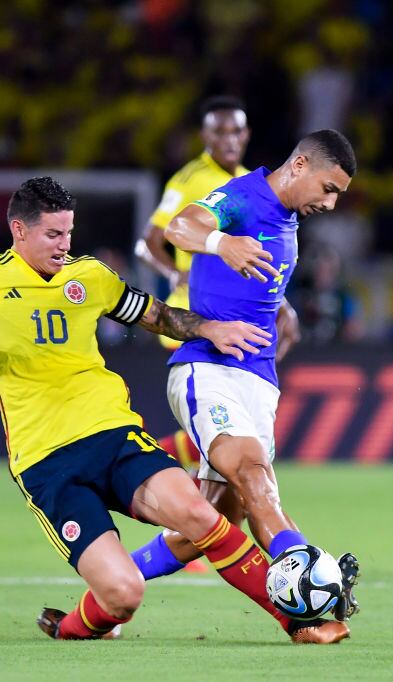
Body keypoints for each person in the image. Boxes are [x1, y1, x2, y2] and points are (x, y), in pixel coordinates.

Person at [0, 177, 336, 644]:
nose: (65, 246)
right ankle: (70, 627)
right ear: (19, 231)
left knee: (203, 517)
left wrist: (208, 329)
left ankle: (297, 621)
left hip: (113, 435)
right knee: (124, 595)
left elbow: (158, 316)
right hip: (46, 462)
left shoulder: (91, 276)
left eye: (69, 233)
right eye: (53, 235)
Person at [128, 130, 361, 637]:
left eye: (337, 194)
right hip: (207, 366)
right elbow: (181, 227)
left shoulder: (290, 220)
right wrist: (221, 242)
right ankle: (306, 593)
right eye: (328, 188)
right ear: (299, 164)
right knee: (255, 473)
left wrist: (284, 308)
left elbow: (261, 284)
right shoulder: (242, 196)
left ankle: (113, 583)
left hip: (258, 378)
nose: (330, 202)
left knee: (212, 524)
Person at [133, 95, 300, 513]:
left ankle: (195, 519)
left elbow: (265, 255)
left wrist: (283, 304)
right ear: (205, 135)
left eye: (235, 130)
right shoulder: (188, 178)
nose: (228, 138)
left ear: (246, 135)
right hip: (191, 315)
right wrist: (174, 274)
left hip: (240, 317)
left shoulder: (252, 183)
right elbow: (149, 241)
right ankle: (151, 471)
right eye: (218, 131)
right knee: (215, 426)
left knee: (222, 432)